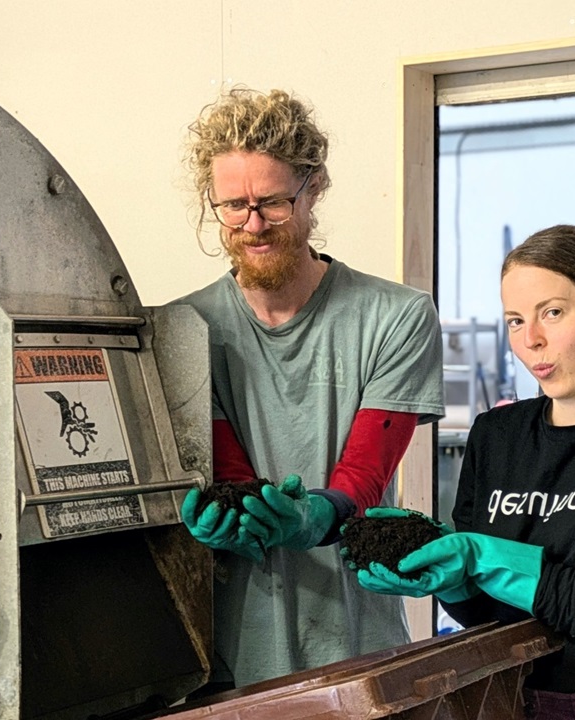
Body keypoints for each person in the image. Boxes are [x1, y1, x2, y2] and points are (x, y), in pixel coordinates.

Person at [347, 224, 575, 719]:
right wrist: (450, 577)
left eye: (553, 313)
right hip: (498, 694)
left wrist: (482, 555)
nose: (532, 340)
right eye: (516, 321)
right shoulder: (495, 434)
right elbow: (483, 614)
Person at [170, 87, 445, 690]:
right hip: (228, 659)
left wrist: (310, 517)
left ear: (313, 188)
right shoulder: (184, 328)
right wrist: (229, 518)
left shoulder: (394, 317)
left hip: (355, 647)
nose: (252, 224)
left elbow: (364, 479)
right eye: (232, 206)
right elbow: (231, 479)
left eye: (272, 202)